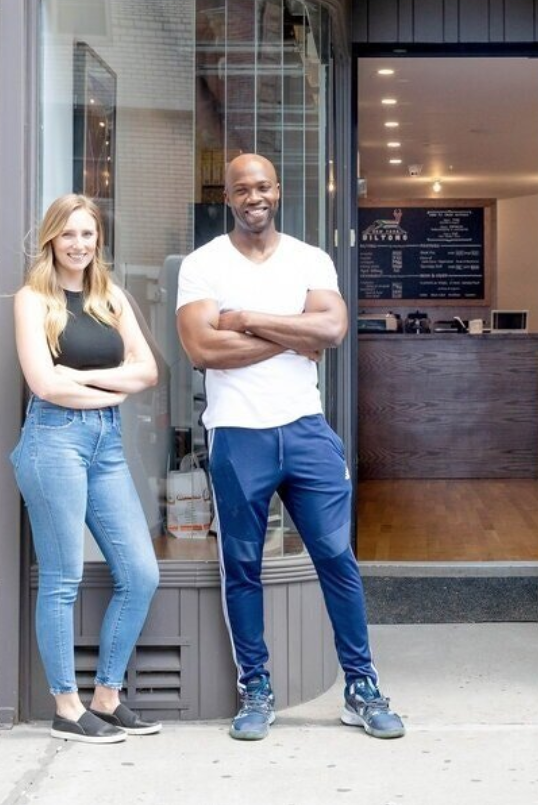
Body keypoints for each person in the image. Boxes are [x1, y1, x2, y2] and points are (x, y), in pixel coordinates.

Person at [176, 153, 405, 742]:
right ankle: (255, 688)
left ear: (277, 191)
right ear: (227, 197)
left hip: (306, 430)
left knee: (337, 558)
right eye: (241, 189)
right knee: (241, 566)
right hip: (237, 434)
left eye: (263, 187)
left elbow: (331, 329)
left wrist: (246, 319)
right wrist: (291, 334)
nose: (253, 197)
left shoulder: (310, 258)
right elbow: (203, 349)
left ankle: (361, 687)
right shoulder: (203, 265)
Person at [12, 194, 162, 744]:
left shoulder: (109, 296)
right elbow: (43, 384)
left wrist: (81, 380)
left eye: (88, 234)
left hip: (107, 445)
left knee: (141, 573)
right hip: (53, 441)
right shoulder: (33, 300)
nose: (79, 244)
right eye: (68, 234)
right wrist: (109, 388)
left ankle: (106, 696)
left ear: (99, 240)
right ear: (51, 238)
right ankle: (67, 707)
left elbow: (147, 371)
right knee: (63, 578)